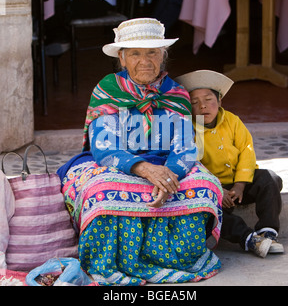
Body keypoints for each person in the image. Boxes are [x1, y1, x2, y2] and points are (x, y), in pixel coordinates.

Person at [57, 18, 223, 285]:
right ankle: (112, 261)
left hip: (166, 164)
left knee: (205, 186)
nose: (145, 61)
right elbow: (103, 147)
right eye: (135, 53)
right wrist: (144, 169)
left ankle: (176, 259)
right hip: (117, 164)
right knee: (101, 190)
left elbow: (185, 147)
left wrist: (169, 175)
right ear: (122, 59)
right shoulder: (108, 90)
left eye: (152, 52)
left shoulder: (176, 93)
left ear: (163, 57)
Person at [176, 70, 284, 258]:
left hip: (238, 184)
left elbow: (246, 151)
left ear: (219, 101)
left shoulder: (232, 121)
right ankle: (249, 238)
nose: (202, 106)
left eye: (209, 99)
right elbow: (193, 164)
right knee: (204, 211)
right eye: (194, 102)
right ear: (188, 107)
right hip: (212, 189)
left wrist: (240, 184)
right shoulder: (188, 129)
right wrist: (217, 189)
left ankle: (268, 231)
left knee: (270, 179)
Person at [45, 0, 123, 54]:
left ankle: (60, 39)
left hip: (101, 0)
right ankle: (61, 38)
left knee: (54, 6)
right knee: (50, 3)